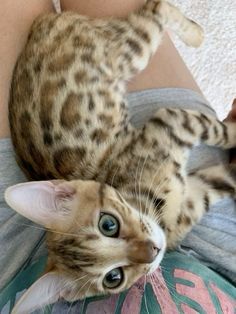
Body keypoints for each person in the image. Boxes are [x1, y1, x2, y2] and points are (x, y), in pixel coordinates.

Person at [0, 1, 235, 313]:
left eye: (109, 227)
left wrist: (227, 136)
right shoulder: (164, 231)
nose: (146, 253)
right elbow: (219, 182)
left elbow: (172, 124)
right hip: (218, 258)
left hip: (16, 255)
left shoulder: (139, 193)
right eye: (113, 276)